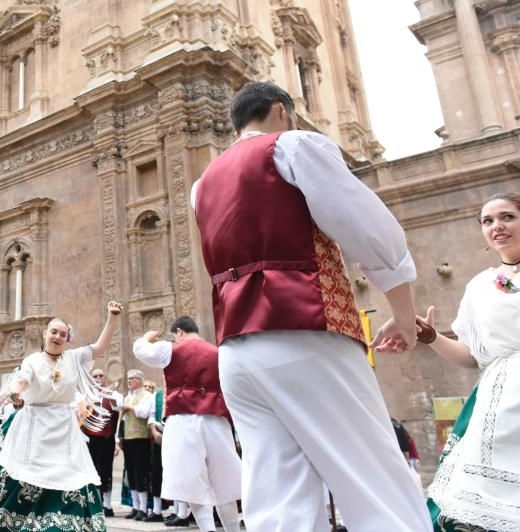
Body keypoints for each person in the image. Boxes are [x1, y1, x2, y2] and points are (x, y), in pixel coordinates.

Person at [192, 81, 430, 531]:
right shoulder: (295, 146)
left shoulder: (202, 184)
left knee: (280, 496)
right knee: (376, 481)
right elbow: (368, 228)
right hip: (305, 329)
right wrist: (402, 312)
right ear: (283, 111)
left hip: (237, 350)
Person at [376, 192, 520, 531]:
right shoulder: (479, 287)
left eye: (507, 217)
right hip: (498, 408)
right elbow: (471, 356)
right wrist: (430, 337)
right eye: (488, 221)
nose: (497, 226)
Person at [0, 302, 123, 531]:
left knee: (70, 477)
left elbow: (99, 347)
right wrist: (16, 393)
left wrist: (112, 317)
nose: (57, 336)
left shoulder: (74, 358)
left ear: (68, 339)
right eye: (54, 332)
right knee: (14, 478)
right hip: (33, 422)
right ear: (45, 334)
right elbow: (21, 380)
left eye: (63, 334)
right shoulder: (33, 360)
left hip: (63, 427)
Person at [134, 316, 242, 531]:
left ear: (179, 332)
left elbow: (141, 350)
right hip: (217, 419)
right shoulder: (218, 352)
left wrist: (147, 336)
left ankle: (208, 529)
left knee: (190, 481)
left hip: (182, 419)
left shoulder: (171, 349)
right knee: (225, 483)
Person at [81, 368, 122, 517]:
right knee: (92, 472)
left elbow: (118, 407)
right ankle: (95, 503)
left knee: (106, 471)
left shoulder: (114, 394)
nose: (98, 378)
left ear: (106, 378)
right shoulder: (86, 396)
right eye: (95, 376)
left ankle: (108, 504)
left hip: (106, 438)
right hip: (90, 439)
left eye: (101, 375)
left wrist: (106, 394)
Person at [120, 369, 153, 521]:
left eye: (132, 378)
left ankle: (143, 508)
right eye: (128, 378)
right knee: (131, 473)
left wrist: (131, 408)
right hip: (128, 438)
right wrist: (119, 438)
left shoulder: (146, 395)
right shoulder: (127, 397)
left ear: (140, 380)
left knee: (141, 472)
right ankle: (135, 506)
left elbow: (145, 413)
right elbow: (123, 420)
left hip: (140, 438)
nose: (129, 381)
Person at [143, 378, 167, 523]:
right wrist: (154, 432)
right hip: (158, 437)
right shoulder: (157, 395)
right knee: (157, 473)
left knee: (175, 474)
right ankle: (157, 511)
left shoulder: (178, 392)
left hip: (175, 437)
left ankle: (179, 512)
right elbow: (151, 416)